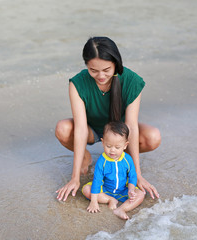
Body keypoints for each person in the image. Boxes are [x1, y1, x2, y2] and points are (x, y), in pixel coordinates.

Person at [55, 36, 161, 202]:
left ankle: (120, 159)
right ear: (86, 66)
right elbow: (81, 128)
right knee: (63, 128)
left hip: (120, 133)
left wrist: (138, 176)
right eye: (93, 70)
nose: (100, 75)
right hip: (92, 130)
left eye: (106, 69)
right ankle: (85, 156)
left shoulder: (131, 80)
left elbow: (131, 125)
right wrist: (74, 177)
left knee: (153, 137)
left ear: (116, 64)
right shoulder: (77, 83)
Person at [82, 121, 144, 220]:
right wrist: (93, 201)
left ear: (125, 145)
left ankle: (121, 209)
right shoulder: (102, 161)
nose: (112, 150)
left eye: (117, 147)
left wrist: (131, 189)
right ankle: (110, 200)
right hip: (105, 190)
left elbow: (132, 176)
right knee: (86, 190)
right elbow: (97, 181)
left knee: (140, 194)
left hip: (123, 190)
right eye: (108, 146)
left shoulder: (127, 159)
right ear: (102, 143)